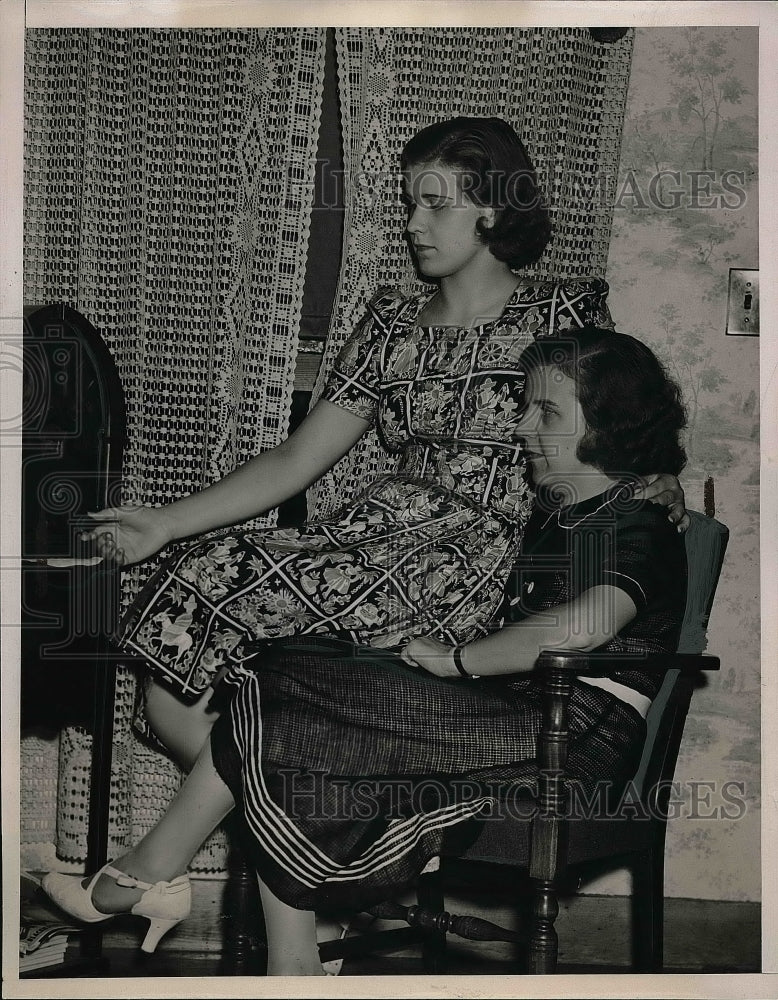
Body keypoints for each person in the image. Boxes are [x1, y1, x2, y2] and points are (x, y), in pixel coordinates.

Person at [42, 116, 688, 974]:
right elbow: (300, 457)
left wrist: (653, 483)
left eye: (435, 203)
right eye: (408, 202)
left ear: (494, 209)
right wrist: (163, 519)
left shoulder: (560, 309)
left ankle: (303, 886)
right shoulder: (389, 319)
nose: (413, 223)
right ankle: (338, 858)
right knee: (184, 598)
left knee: (260, 665)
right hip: (378, 533)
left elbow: (604, 411)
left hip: (475, 557)